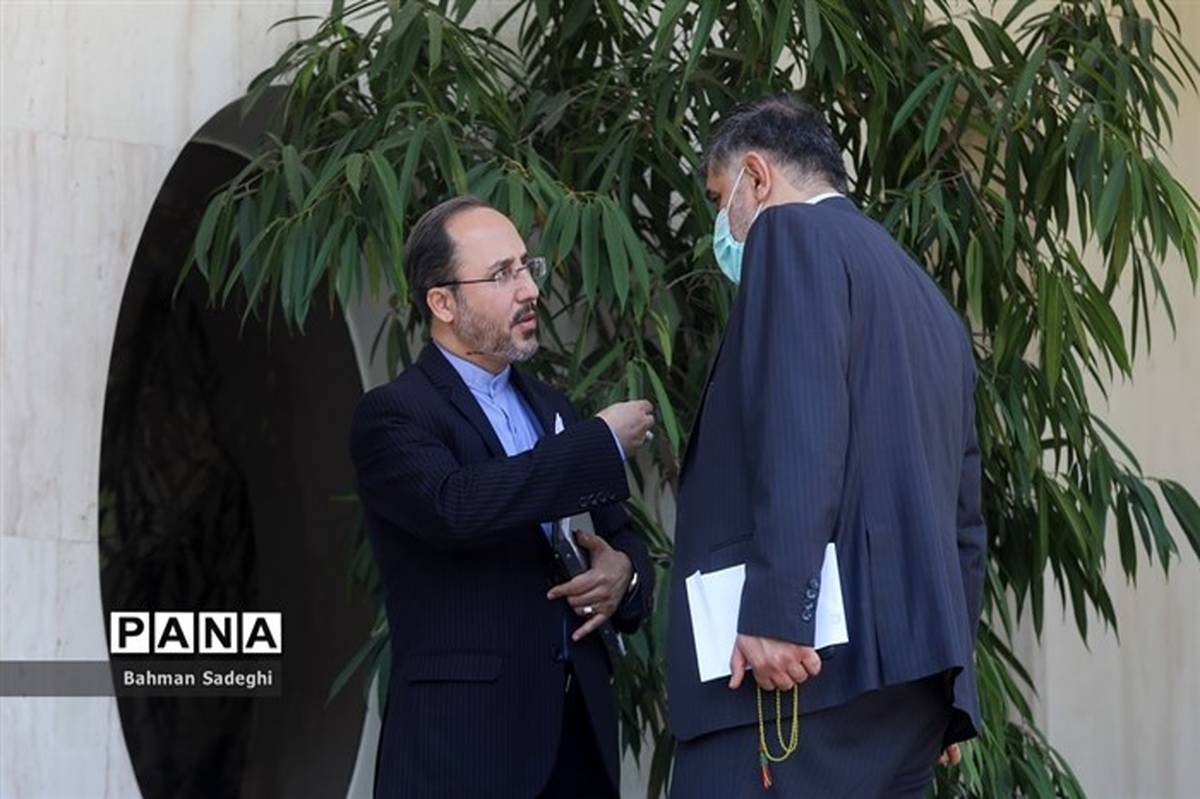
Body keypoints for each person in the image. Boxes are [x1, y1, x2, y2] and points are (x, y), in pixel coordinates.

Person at [666, 95, 985, 797]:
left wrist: (777, 614)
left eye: (718, 199)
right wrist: (950, 687)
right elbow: (963, 516)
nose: (722, 224)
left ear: (756, 177)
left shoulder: (789, 237)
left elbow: (801, 435)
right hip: (908, 691)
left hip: (798, 676)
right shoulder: (927, 299)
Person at [350, 195, 656, 798]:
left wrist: (623, 575)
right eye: (500, 275)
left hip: (577, 740)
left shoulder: (552, 407)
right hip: (464, 750)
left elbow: (621, 538)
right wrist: (597, 444)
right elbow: (457, 507)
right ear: (443, 303)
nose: (529, 290)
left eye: (526, 267)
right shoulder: (394, 414)